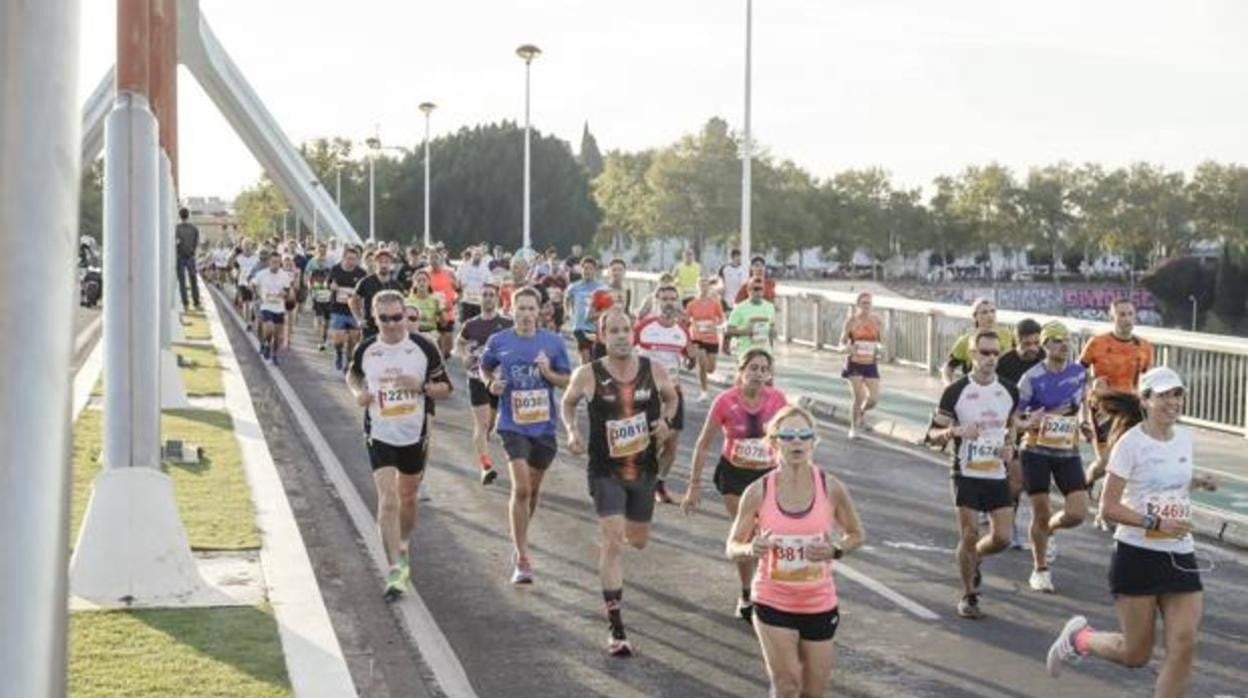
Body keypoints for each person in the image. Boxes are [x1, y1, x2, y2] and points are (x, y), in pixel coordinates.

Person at [1047, 367, 1217, 697]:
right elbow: (1108, 508)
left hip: (1180, 553)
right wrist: (1155, 523)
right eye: (1164, 395)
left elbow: (1164, 480)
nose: (1172, 402)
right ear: (1146, 400)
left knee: (1184, 644)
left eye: (1177, 393)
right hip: (1137, 555)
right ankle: (1078, 638)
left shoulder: (1185, 438)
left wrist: (1195, 481)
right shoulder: (1130, 444)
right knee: (1135, 654)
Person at [561, 306, 680, 656]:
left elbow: (671, 398)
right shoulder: (588, 374)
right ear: (602, 336)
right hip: (605, 470)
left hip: (643, 469)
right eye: (613, 331)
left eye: (626, 329)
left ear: (634, 333)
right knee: (613, 540)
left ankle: (614, 541)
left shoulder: (653, 370)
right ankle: (616, 627)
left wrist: (666, 423)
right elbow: (567, 404)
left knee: (637, 540)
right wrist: (571, 431)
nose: (621, 336)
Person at [726, 405, 864, 698]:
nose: (797, 442)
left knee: (814, 692)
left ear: (814, 441)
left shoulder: (831, 488)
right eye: (788, 435)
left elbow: (856, 534)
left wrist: (835, 550)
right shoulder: (758, 491)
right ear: (774, 442)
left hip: (819, 601)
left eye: (804, 435)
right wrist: (751, 547)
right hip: (772, 600)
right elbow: (731, 546)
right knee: (787, 685)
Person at [347, 291, 452, 599]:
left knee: (408, 497)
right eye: (385, 319)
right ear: (374, 319)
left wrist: (420, 387)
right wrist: (358, 394)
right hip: (380, 432)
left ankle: (403, 545)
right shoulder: (367, 348)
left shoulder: (423, 348)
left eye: (397, 317)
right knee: (388, 499)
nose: (392, 325)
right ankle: (394, 569)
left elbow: (446, 388)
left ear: (406, 316)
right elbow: (351, 375)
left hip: (413, 433)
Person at [684, 348, 789, 622]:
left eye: (763, 369)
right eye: (752, 368)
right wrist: (694, 484)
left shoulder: (778, 400)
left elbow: (790, 439)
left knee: (766, 534)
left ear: (769, 374)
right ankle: (746, 594)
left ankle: (764, 589)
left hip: (767, 475)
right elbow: (704, 442)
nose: (758, 374)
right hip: (734, 475)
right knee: (746, 533)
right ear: (741, 372)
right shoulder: (725, 401)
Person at [479, 288, 573, 584]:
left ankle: (520, 535)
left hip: (544, 427)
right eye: (521, 308)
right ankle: (522, 557)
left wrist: (547, 373)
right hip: (512, 424)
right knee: (520, 489)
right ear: (512, 309)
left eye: (531, 308)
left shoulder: (554, 342)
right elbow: (485, 368)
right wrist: (491, 383)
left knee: (532, 491)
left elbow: (567, 380)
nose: (526, 314)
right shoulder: (499, 341)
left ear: (540, 311)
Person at [927, 330, 1019, 619]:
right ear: (972, 354)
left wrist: (1010, 447)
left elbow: (1011, 426)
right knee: (968, 534)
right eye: (984, 352)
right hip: (964, 471)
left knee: (1003, 538)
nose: (991, 358)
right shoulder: (955, 391)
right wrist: (955, 431)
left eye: (995, 353)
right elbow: (930, 435)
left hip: (995, 472)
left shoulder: (1009, 390)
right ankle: (969, 594)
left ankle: (975, 557)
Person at [1015, 321, 1088, 593]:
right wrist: (1035, 419)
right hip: (1035, 450)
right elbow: (1017, 418)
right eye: (1057, 340)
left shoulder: (1080, 372)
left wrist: (1088, 421)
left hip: (1067, 449)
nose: (1064, 345)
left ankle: (1050, 530)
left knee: (1078, 513)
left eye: (1067, 340)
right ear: (1045, 346)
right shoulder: (1031, 378)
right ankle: (1040, 569)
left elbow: (1083, 404)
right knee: (1041, 511)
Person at [634, 284, 693, 504]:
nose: (669, 302)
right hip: (649, 393)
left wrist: (692, 355)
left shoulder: (682, 331)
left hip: (674, 393)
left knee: (672, 445)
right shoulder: (645, 327)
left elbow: (689, 361)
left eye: (672, 299)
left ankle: (658, 484)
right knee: (654, 440)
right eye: (665, 299)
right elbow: (624, 351)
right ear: (657, 302)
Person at [994, 318, 1045, 548]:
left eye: (1036, 343)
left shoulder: (1045, 358)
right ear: (1017, 341)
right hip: (1010, 422)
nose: (1032, 349)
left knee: (1025, 481)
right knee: (1015, 480)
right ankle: (1008, 523)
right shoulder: (1004, 363)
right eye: (1026, 344)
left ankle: (1001, 508)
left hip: (1037, 426)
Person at [455, 282, 513, 485]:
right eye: (484, 295)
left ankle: (483, 449)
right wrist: (464, 356)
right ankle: (485, 466)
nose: (488, 298)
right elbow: (460, 343)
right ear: (479, 299)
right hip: (477, 378)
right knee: (482, 424)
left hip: (498, 380)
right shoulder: (471, 324)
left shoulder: (507, 323)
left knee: (490, 425)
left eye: (491, 295)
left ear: (497, 298)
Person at [838, 292, 883, 440]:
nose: (866, 306)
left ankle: (861, 414)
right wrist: (846, 349)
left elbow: (881, 342)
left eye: (869, 303)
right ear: (858, 305)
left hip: (870, 363)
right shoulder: (851, 321)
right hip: (854, 363)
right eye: (863, 303)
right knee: (858, 397)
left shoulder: (876, 321)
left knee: (873, 399)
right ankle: (853, 427)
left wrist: (879, 350)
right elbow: (841, 343)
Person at [943, 298, 1016, 385]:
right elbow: (949, 366)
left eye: (992, 311)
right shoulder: (965, 340)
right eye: (984, 312)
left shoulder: (1008, 335)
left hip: (1001, 387)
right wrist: (948, 384)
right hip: (974, 389)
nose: (990, 316)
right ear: (975, 317)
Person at [328, 246, 368, 372]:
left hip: (354, 311)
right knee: (338, 338)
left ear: (357, 260)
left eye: (354, 259)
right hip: (338, 308)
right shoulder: (335, 269)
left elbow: (364, 292)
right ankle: (339, 352)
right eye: (349, 259)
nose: (351, 262)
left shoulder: (361, 273)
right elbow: (328, 284)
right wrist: (331, 286)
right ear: (343, 258)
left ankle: (349, 362)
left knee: (353, 339)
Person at [685, 278, 726, 402]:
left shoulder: (715, 303)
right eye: (701, 284)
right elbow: (687, 320)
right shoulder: (692, 304)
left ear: (709, 287)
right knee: (702, 363)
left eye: (705, 284)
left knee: (710, 368)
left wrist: (716, 324)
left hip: (712, 337)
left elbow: (722, 319)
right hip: (697, 337)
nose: (703, 287)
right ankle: (704, 391)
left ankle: (695, 362)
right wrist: (692, 323)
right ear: (697, 287)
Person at [250, 251, 294, 365]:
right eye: (273, 262)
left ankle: (274, 354)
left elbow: (287, 290)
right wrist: (256, 293)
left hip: (279, 307)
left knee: (278, 335)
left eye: (278, 262)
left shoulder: (284, 275)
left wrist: (284, 294)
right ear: (269, 262)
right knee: (269, 327)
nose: (276, 264)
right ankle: (266, 344)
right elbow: (252, 284)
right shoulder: (261, 274)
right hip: (266, 306)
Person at [352, 248, 406, 338]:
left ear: (391, 264)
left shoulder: (397, 286)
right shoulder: (365, 282)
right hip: (370, 327)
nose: (383, 265)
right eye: (380, 262)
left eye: (386, 262)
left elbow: (402, 306)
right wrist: (359, 319)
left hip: (391, 326)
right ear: (375, 263)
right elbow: (353, 300)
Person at [565, 257, 609, 364]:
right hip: (580, 326)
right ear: (581, 270)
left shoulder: (602, 288)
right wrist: (567, 312)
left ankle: (592, 377)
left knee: (594, 358)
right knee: (585, 356)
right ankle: (583, 376)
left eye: (590, 268)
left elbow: (606, 307)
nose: (587, 271)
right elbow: (567, 298)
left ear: (595, 270)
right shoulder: (574, 287)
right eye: (585, 268)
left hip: (595, 327)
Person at [726, 279, 777, 354]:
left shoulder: (770, 307)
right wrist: (747, 332)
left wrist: (772, 333)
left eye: (761, 289)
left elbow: (771, 326)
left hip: (765, 351)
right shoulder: (740, 308)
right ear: (748, 290)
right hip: (746, 351)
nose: (758, 292)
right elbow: (729, 330)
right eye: (755, 289)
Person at [427, 252, 459, 356]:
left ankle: (443, 356)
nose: (434, 261)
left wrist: (454, 302)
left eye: (436, 258)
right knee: (436, 340)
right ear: (428, 261)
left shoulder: (449, 272)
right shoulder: (425, 274)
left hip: (447, 311)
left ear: (441, 260)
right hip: (432, 312)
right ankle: (437, 362)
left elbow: (459, 289)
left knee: (448, 346)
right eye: (431, 258)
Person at [456, 246, 493, 323]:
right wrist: (459, 291)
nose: (477, 257)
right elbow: (457, 281)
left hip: (478, 302)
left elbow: (489, 283)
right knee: (464, 324)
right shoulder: (463, 266)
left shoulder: (485, 269)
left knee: (478, 324)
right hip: (466, 301)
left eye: (479, 255)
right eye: (476, 254)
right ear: (472, 255)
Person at [175, 207, 202, 310]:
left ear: (180, 216)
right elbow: (196, 243)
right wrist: (192, 250)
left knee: (182, 281)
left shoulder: (177, 229)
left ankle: (185, 304)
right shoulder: (194, 229)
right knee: (193, 280)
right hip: (190, 256)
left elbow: (176, 243)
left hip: (180, 256)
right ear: (188, 215)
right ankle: (196, 302)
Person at [718, 248, 748, 313]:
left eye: (740, 256)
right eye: (738, 256)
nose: (739, 258)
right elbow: (720, 282)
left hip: (739, 300)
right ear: (733, 257)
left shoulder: (743, 269)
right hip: (726, 300)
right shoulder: (724, 269)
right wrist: (720, 289)